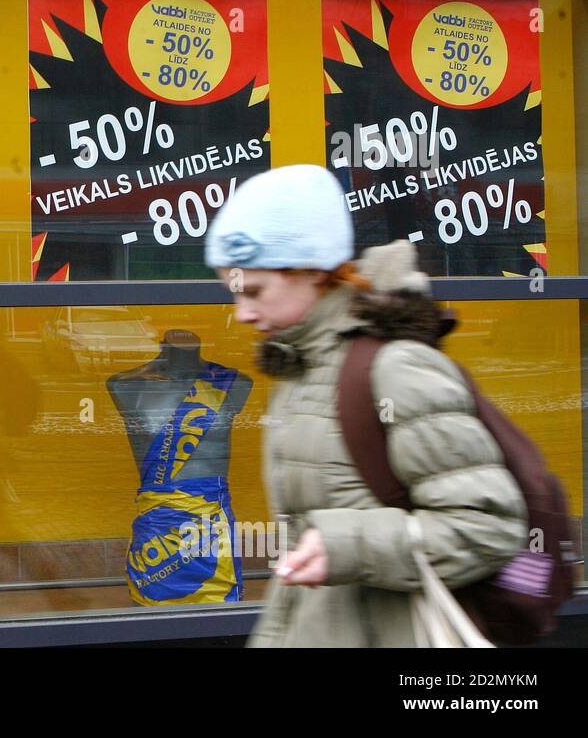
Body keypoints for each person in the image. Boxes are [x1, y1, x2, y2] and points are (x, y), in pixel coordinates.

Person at [204, 164, 528, 647]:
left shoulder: (394, 368)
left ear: (314, 270)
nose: (243, 313)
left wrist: (347, 545)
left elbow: (487, 526)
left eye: (255, 291)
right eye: (235, 293)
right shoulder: (299, 368)